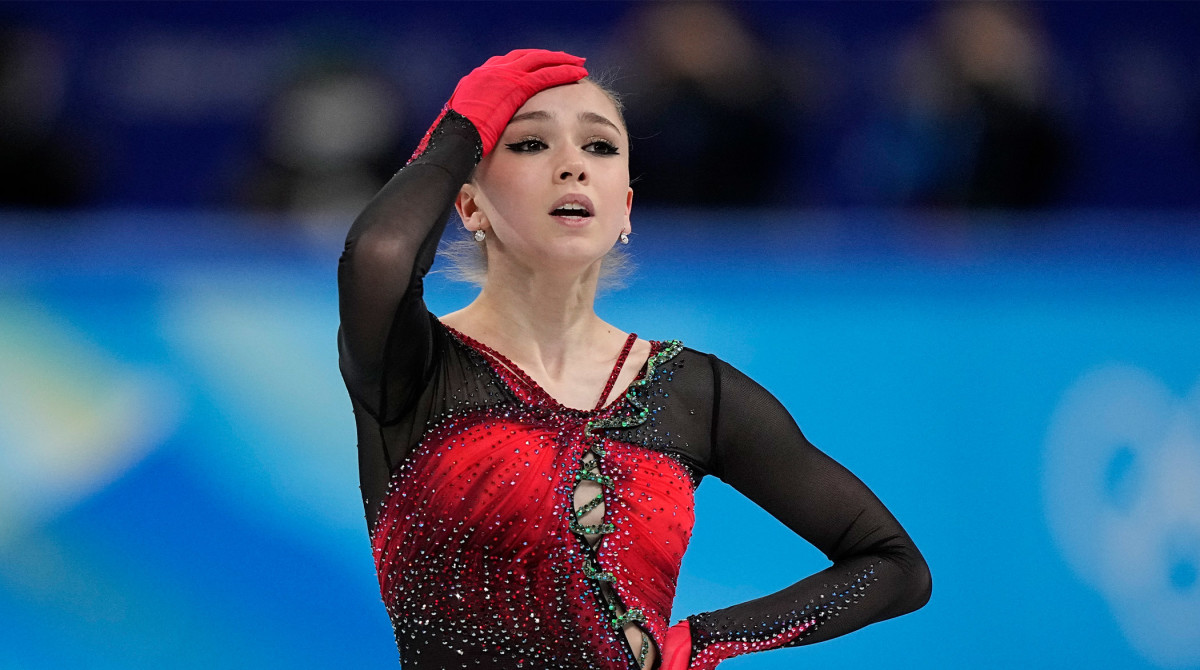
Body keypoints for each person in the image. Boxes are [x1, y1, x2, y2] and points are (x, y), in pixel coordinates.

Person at [337, 49, 931, 670]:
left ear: (624, 207)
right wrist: (461, 127)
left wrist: (705, 639)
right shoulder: (414, 366)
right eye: (530, 145)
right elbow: (378, 254)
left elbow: (893, 565)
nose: (572, 167)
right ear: (468, 206)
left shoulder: (692, 392)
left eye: (598, 147)